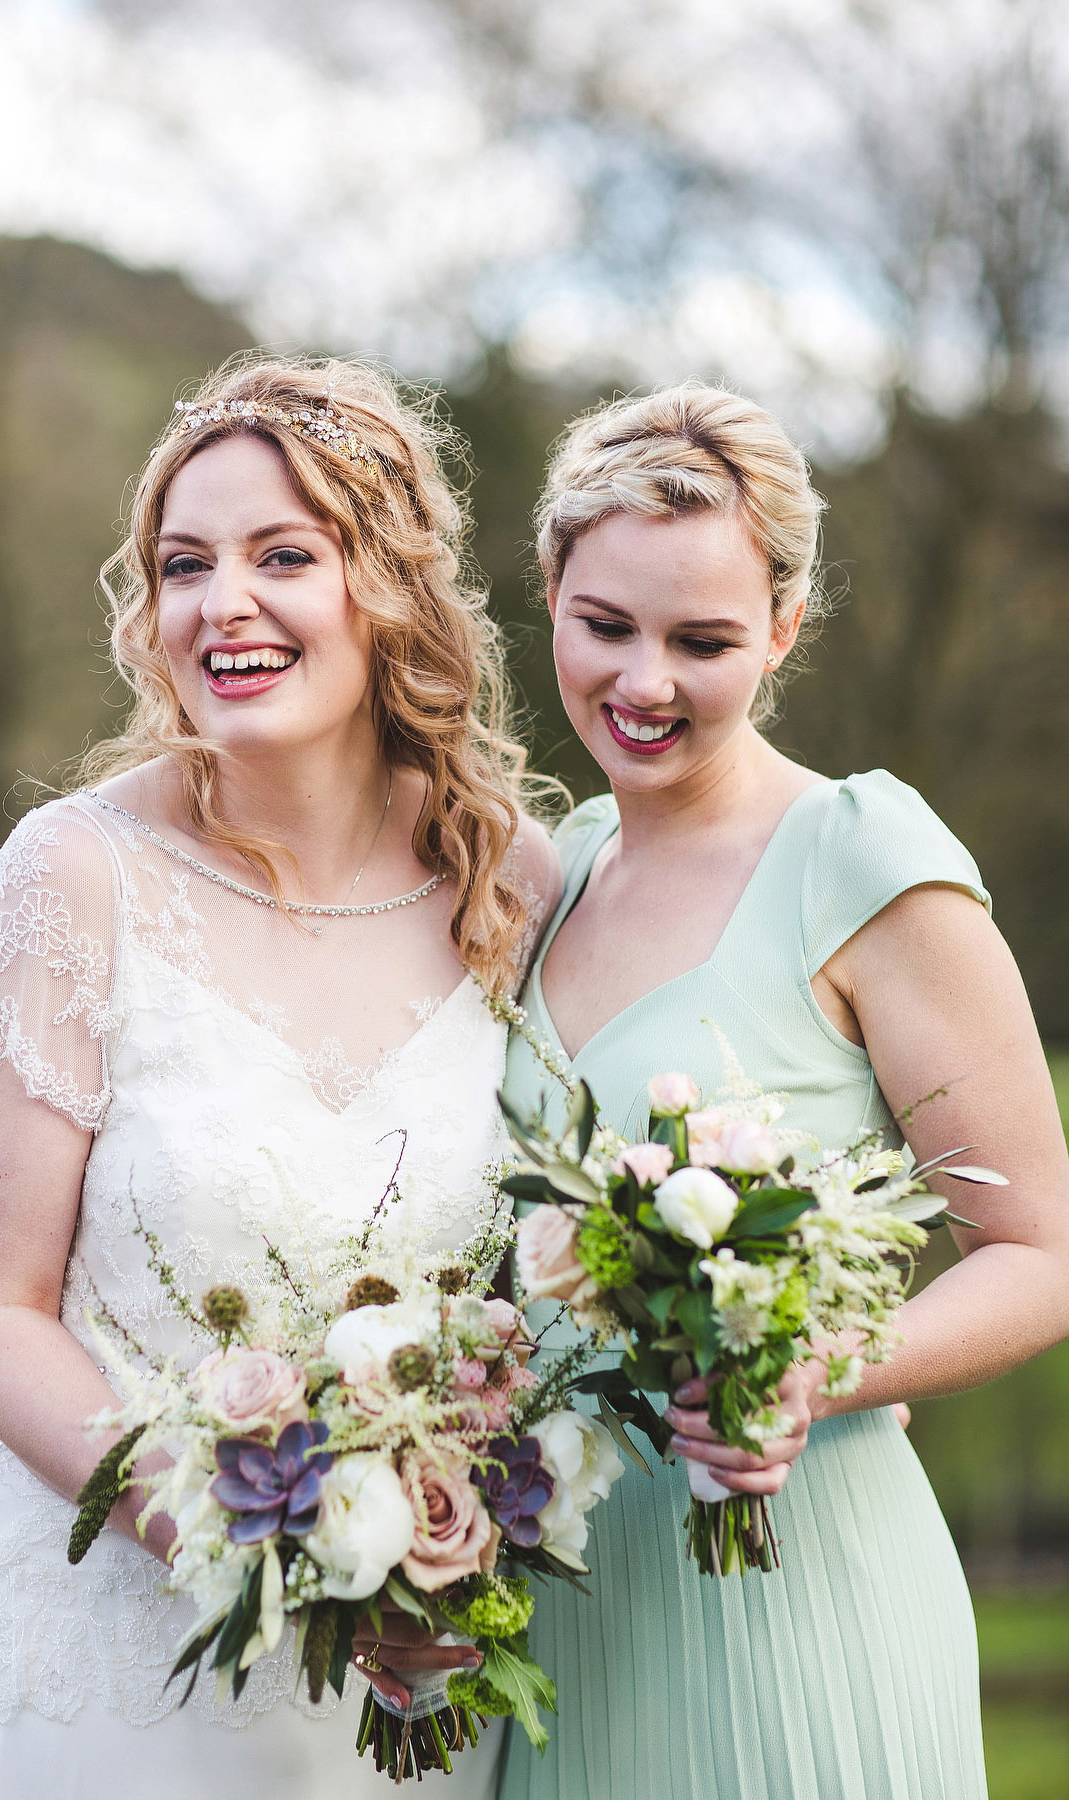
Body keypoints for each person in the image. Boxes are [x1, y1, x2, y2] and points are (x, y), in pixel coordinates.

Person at [0, 354, 559, 1799]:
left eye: (284, 555)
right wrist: (257, 1540)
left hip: (420, 1675)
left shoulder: (507, 881)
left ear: (385, 585)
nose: (225, 604)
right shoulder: (73, 881)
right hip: (113, 1660)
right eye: (184, 564)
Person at [499, 383, 1069, 1800]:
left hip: (795, 1577)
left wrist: (811, 1377)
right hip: (564, 1603)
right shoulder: (546, 877)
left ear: (785, 630)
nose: (644, 683)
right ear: (551, 594)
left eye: (703, 641)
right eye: (606, 625)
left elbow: (1043, 1252)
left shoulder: (861, 862)